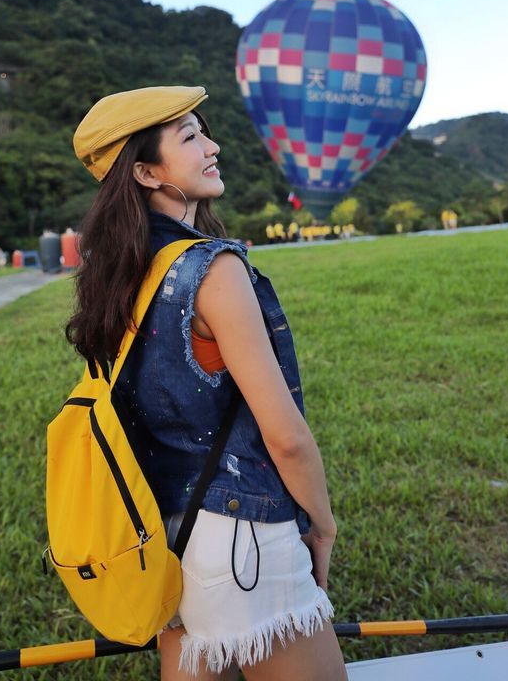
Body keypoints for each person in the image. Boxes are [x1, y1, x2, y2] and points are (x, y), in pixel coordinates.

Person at [67, 86, 346, 681]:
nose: (213, 146)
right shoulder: (212, 268)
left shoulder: (116, 276)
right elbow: (286, 436)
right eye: (191, 137)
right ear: (145, 171)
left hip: (160, 540)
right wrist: (321, 524)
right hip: (245, 539)